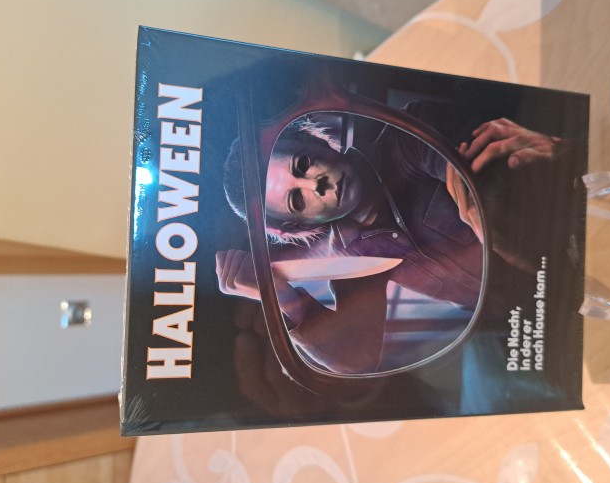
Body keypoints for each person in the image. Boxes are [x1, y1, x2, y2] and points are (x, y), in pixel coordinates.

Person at [216, 100, 568, 375]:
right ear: (296, 226)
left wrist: (479, 202)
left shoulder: (403, 138)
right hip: (531, 323)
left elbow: (475, 182)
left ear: (314, 141)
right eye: (297, 199)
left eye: (303, 163)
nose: (316, 185)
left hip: (562, 245)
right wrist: (280, 298)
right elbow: (357, 358)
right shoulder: (353, 257)